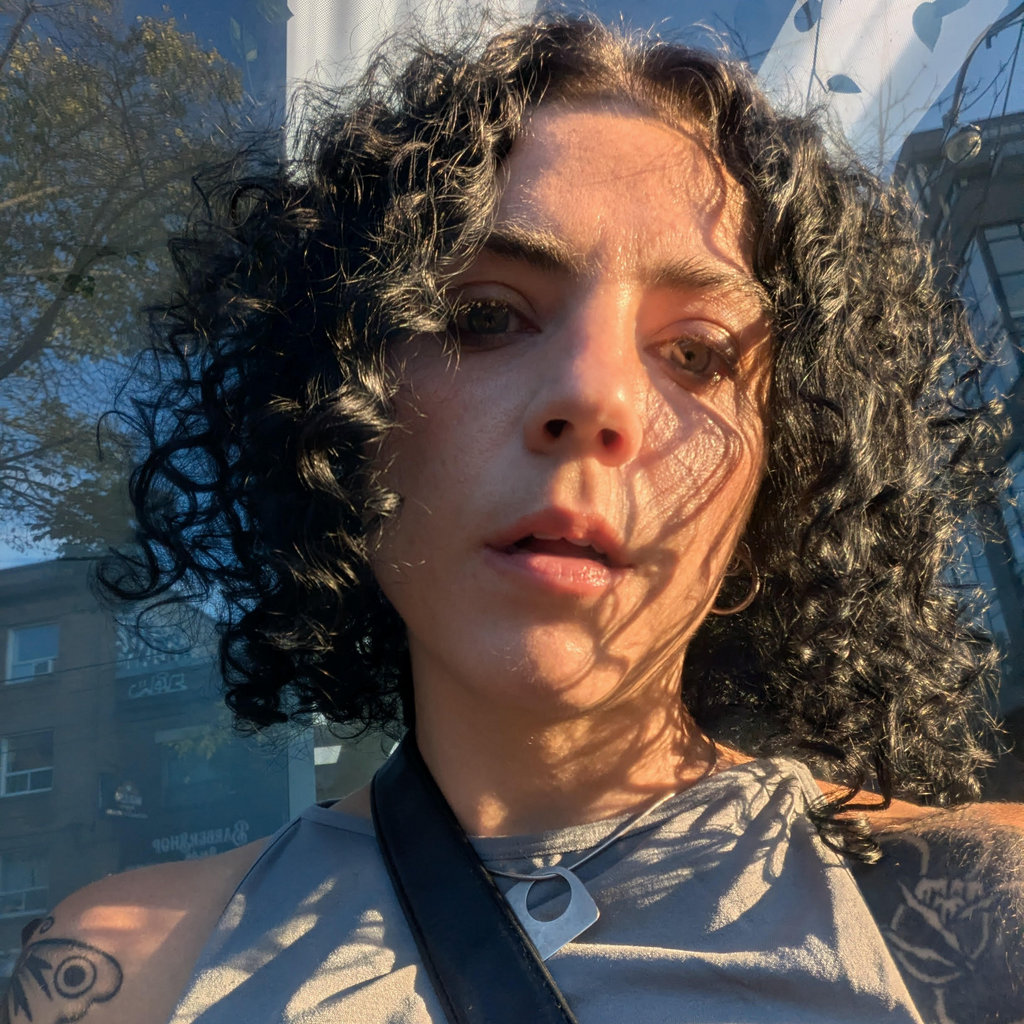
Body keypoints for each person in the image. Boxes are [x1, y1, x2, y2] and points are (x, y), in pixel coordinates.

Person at [4, 14, 1022, 1024]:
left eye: (698, 353)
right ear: (342, 411)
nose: (593, 394)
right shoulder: (122, 972)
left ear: (785, 472)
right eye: (486, 316)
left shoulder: (990, 911)